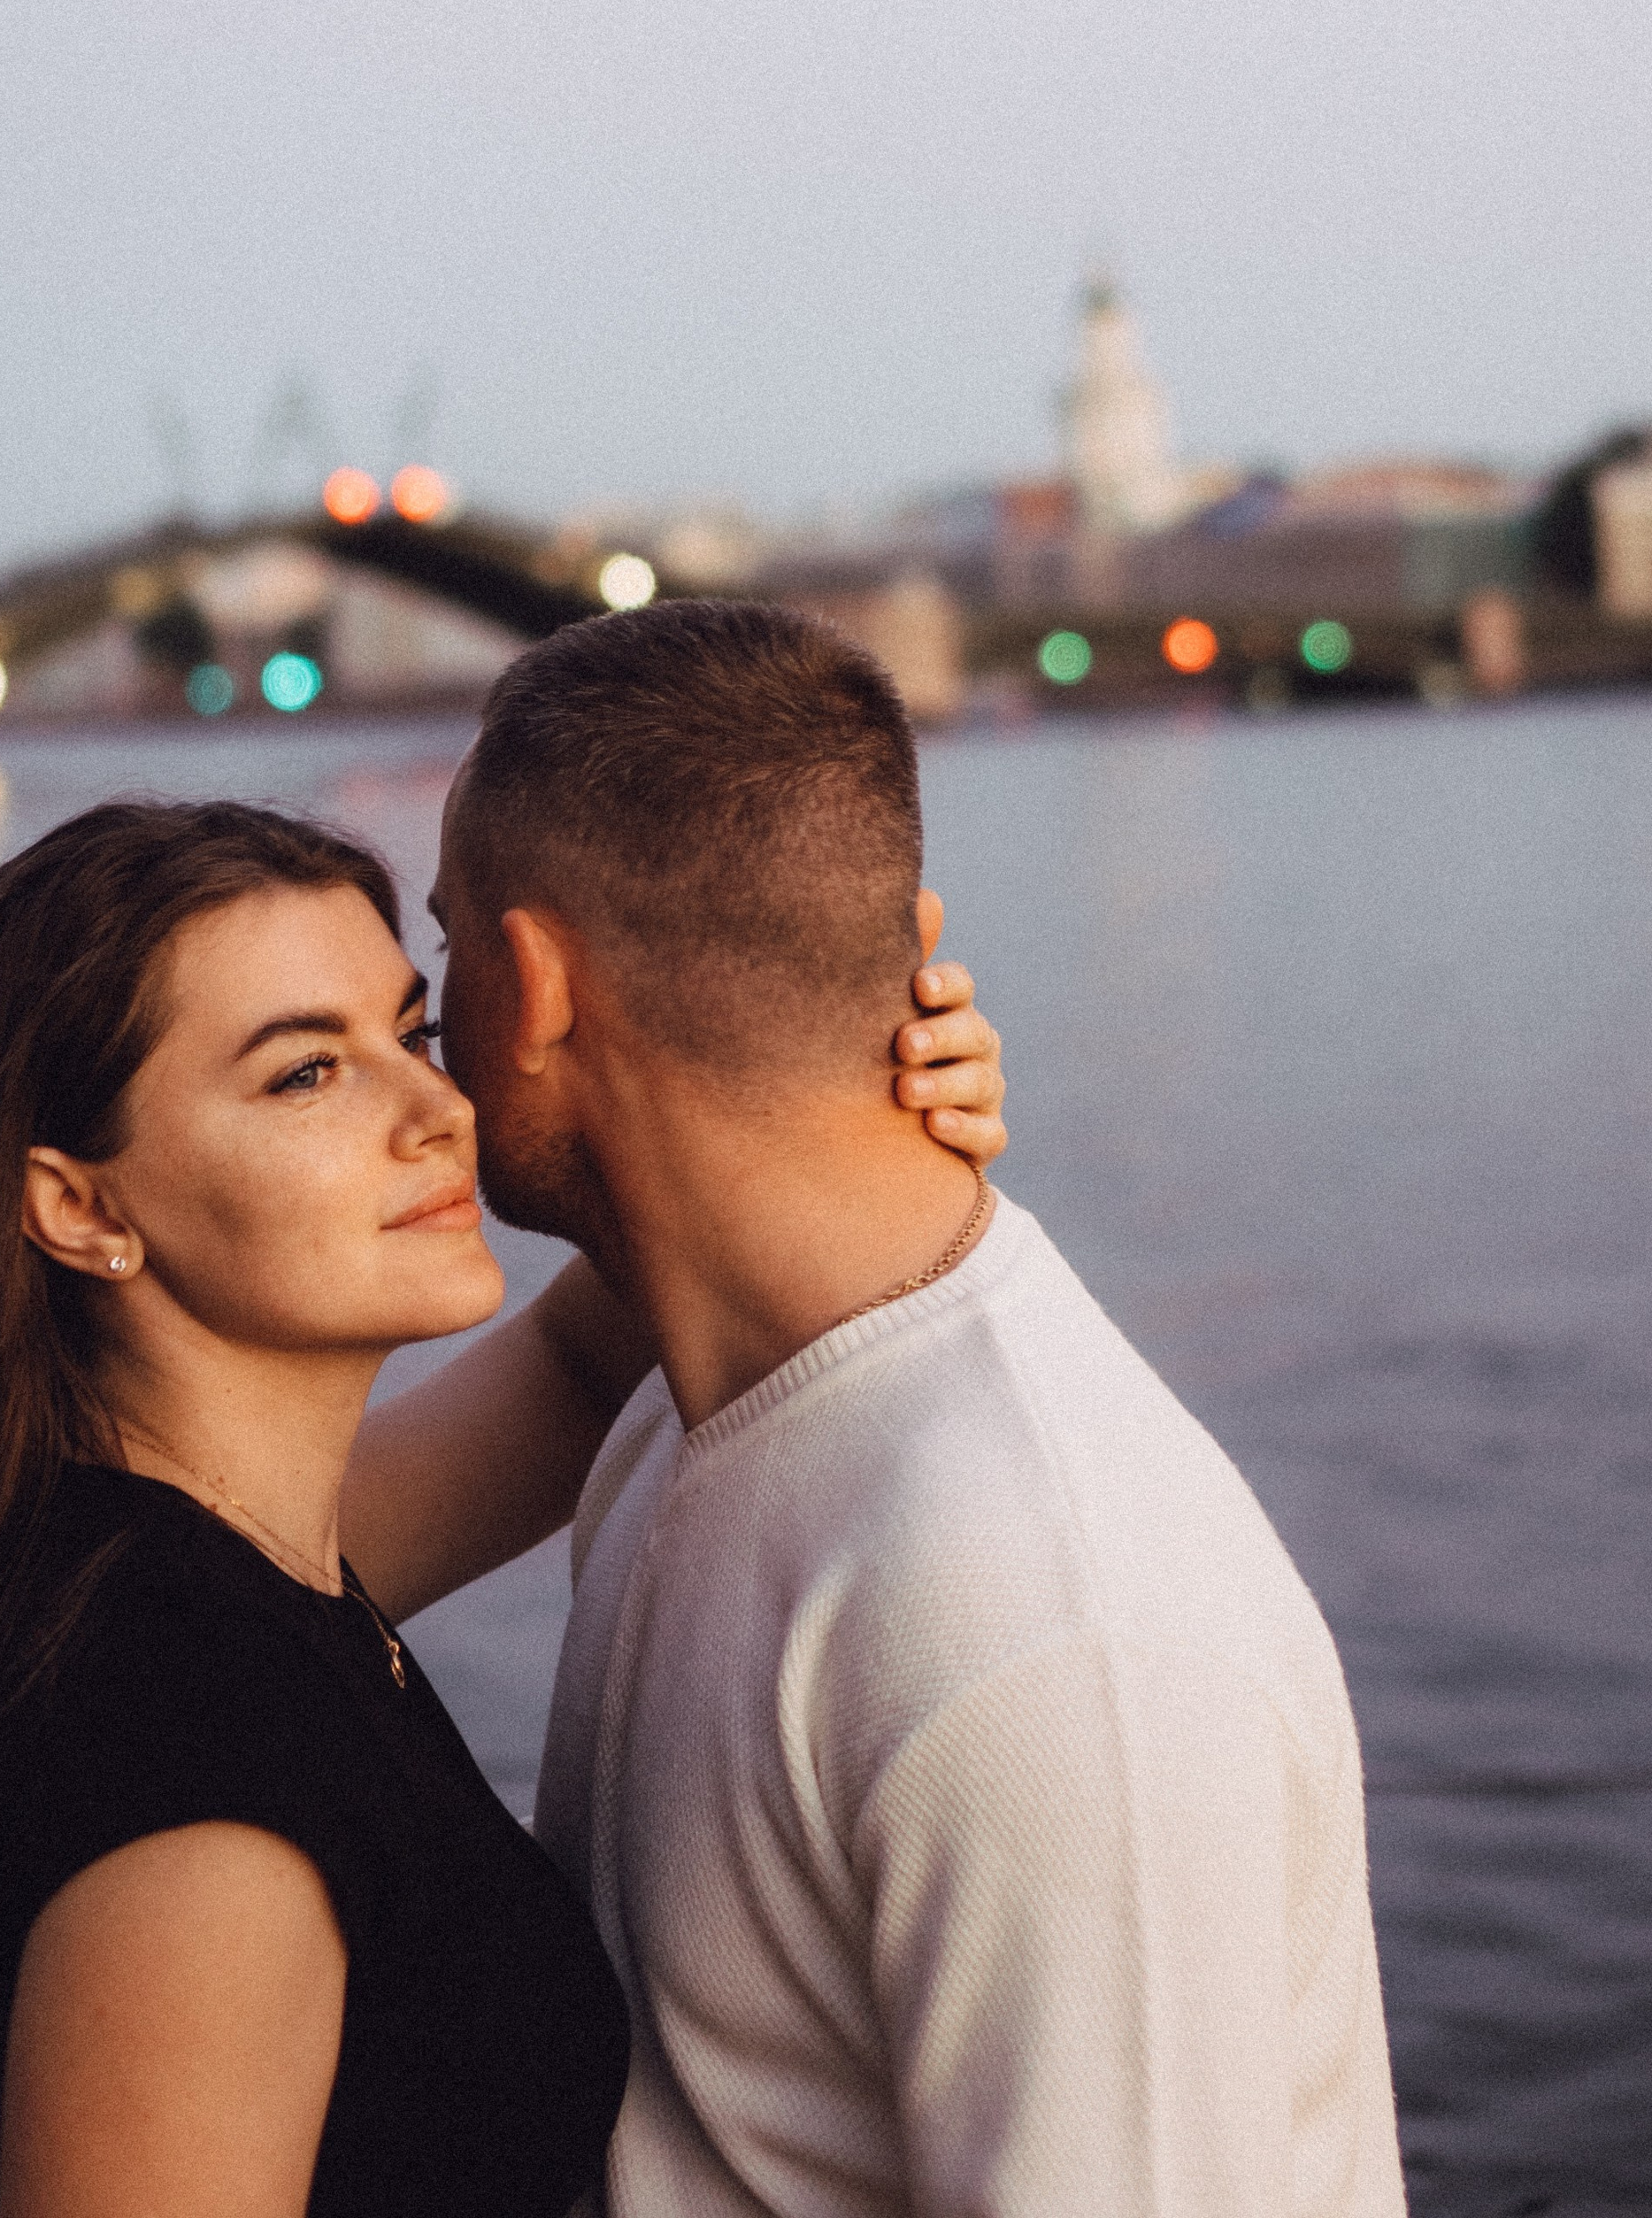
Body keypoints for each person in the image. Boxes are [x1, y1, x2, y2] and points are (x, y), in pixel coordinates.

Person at [0, 790, 1007, 2218]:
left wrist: (833, 1095)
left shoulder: (178, 1562)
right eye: (306, 1076)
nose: (440, 1112)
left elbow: (576, 1369)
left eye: (414, 1033)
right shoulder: (199, 1788)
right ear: (80, 1209)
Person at [432, 598, 1408, 2218]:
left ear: (531, 986)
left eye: (445, 937)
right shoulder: (677, 1419)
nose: (425, 1028)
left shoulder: (1049, 1629)